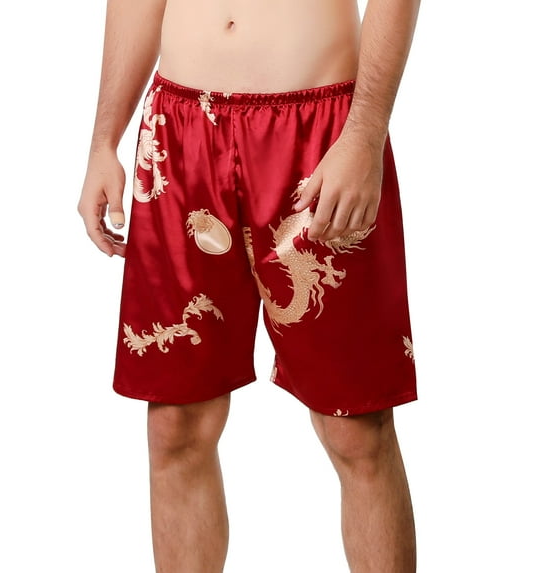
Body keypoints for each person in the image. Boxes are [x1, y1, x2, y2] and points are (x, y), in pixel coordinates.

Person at [78, 0, 421, 570]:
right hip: (180, 135)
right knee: (176, 424)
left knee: (357, 426)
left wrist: (364, 135)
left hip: (319, 133)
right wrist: (103, 140)